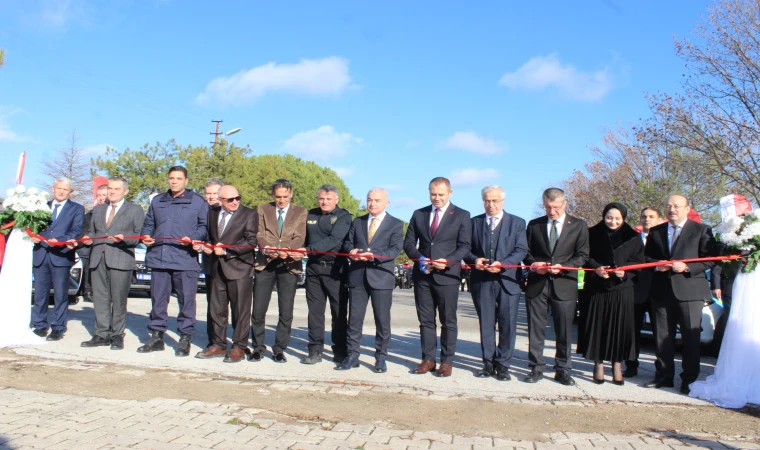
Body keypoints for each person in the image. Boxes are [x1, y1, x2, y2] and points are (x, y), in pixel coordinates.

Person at [644, 195, 717, 395]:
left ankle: (689, 380)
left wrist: (687, 266)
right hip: (662, 290)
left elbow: (711, 259)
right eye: (668, 206)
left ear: (687, 209)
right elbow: (647, 257)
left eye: (676, 206)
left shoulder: (701, 230)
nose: (672, 209)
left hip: (690, 290)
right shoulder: (656, 231)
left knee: (690, 337)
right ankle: (664, 376)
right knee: (662, 337)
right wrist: (657, 266)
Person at [403, 177, 472, 377]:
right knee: (426, 320)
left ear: (450, 193)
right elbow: (408, 243)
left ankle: (447, 361)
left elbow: (465, 246)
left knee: (448, 320)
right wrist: (421, 258)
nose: (436, 198)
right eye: (433, 194)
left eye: (441, 194)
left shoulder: (461, 215)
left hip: (447, 276)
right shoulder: (419, 214)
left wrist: (448, 261)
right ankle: (428, 359)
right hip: (423, 275)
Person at [138, 166, 209, 356]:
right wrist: (145, 235)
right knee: (158, 301)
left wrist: (193, 237)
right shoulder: (157, 201)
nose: (174, 181)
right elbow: (149, 223)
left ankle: (185, 338)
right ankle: (156, 337)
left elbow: (204, 227)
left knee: (186, 301)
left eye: (178, 178)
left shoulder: (197, 202)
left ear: (186, 181)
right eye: (171, 178)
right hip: (159, 258)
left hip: (184, 259)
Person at [523, 188, 589, 386]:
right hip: (538, 284)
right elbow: (526, 252)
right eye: (548, 207)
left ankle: (563, 369)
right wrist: (535, 265)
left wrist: (564, 267)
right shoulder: (534, 225)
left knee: (564, 330)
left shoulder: (578, 225)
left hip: (564, 284)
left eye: (556, 207)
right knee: (536, 329)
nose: (552, 211)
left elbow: (583, 255)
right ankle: (536, 368)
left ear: (565, 204)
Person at [336, 188, 404, 373]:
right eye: (369, 199)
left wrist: (372, 255)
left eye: (377, 200)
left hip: (381, 278)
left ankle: (380, 358)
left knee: (382, 321)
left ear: (386, 203)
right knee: (354, 320)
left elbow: (395, 250)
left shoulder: (395, 224)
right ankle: (352, 356)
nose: (372, 203)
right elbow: (348, 242)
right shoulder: (358, 221)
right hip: (357, 277)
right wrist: (352, 251)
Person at [464, 185, 527, 381]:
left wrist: (504, 264)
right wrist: (475, 260)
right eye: (487, 201)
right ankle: (488, 363)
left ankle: (504, 365)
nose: (490, 205)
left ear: (503, 201)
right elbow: (464, 249)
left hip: (508, 281)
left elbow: (521, 249)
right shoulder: (473, 223)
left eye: (495, 201)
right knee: (487, 324)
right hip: (482, 281)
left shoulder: (517, 223)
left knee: (507, 324)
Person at [75, 177, 144, 350]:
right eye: (110, 189)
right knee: (100, 299)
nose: (112, 192)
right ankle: (101, 334)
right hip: (98, 259)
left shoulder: (135, 210)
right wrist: (88, 239)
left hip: (121, 258)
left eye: (117, 189)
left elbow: (139, 234)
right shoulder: (98, 210)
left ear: (125, 191)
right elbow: (92, 231)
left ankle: (117, 335)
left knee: (119, 300)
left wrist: (124, 239)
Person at [580, 203, 643, 385]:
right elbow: (584, 256)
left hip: (621, 289)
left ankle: (617, 363)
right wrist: (595, 268)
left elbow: (638, 262)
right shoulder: (592, 233)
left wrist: (625, 273)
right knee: (598, 325)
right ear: (603, 216)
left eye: (617, 218)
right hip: (597, 288)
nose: (613, 221)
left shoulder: (633, 237)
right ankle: (598, 363)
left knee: (619, 327)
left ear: (623, 218)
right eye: (609, 217)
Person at [194, 185, 257, 363]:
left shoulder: (249, 214)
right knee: (217, 309)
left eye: (238, 197)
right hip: (216, 268)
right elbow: (209, 236)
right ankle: (218, 344)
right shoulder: (212, 212)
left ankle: (239, 347)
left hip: (239, 269)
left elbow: (251, 241)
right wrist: (206, 246)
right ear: (220, 200)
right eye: (230, 199)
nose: (235, 202)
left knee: (240, 311)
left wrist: (228, 251)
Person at [290, 184, 351, 365]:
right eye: (321, 199)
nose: (324, 202)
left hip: (335, 271)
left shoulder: (344, 217)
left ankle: (340, 351)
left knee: (338, 313)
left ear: (336, 200)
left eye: (328, 199)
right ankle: (315, 350)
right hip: (314, 270)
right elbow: (300, 236)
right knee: (315, 313)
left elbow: (334, 241)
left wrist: (307, 250)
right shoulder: (311, 214)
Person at [249, 179, 307, 363]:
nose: (281, 200)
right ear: (272, 195)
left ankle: (279, 348)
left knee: (286, 310)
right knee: (258, 309)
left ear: (291, 194)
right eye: (278, 196)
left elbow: (300, 235)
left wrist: (287, 249)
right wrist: (267, 248)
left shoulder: (301, 211)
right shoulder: (263, 209)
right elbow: (259, 233)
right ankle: (258, 348)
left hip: (288, 264)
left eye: (285, 196)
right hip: (266, 263)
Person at [30, 178, 85, 341]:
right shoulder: (41, 206)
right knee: (40, 294)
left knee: (61, 294)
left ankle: (58, 327)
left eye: (65, 190)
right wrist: (33, 237)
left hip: (60, 255)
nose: (61, 192)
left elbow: (76, 230)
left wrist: (60, 239)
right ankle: (39, 325)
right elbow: (33, 227)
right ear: (53, 188)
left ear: (70, 192)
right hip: (41, 254)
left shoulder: (76, 209)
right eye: (59, 188)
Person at [624, 207, 661, 378]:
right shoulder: (632, 239)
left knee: (660, 334)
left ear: (659, 220)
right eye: (644, 216)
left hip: (658, 291)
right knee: (632, 332)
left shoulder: (664, 238)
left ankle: (662, 371)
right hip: (636, 290)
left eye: (651, 217)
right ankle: (631, 365)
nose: (647, 219)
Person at [201, 179, 224, 348]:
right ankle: (214, 340)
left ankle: (239, 343)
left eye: (214, 193)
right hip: (210, 265)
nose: (211, 197)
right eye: (208, 193)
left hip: (234, 265)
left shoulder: (232, 210)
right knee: (213, 306)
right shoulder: (202, 211)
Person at [77, 184, 108, 303]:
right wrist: (85, 238)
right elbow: (82, 231)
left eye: (103, 195)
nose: (101, 198)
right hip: (89, 246)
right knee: (84, 253)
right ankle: (87, 290)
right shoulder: (89, 214)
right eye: (98, 195)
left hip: (105, 246)